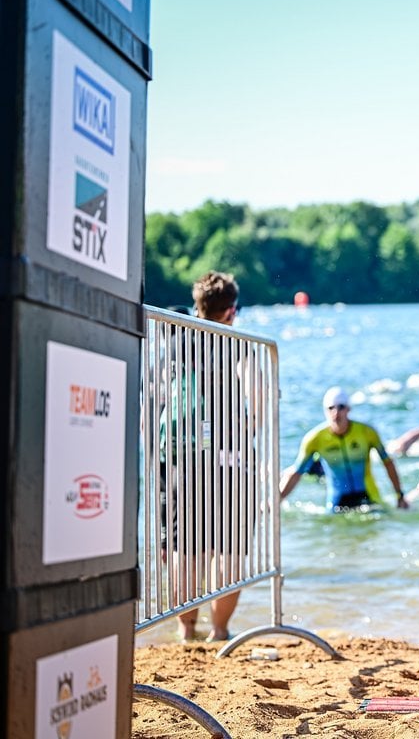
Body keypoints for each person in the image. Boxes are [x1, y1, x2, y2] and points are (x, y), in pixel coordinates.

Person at [161, 271, 245, 642]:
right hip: (227, 452)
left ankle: (185, 630)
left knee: (185, 544)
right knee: (228, 544)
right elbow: (255, 402)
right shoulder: (236, 342)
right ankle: (221, 630)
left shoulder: (178, 339)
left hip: (180, 452)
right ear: (230, 310)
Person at [278, 387, 409, 512]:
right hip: (337, 501)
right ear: (325, 411)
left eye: (340, 407)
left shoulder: (366, 432)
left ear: (348, 409)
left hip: (369, 497)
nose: (336, 412)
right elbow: (297, 472)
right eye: (331, 408)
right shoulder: (315, 438)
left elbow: (388, 462)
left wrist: (400, 495)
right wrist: (277, 500)